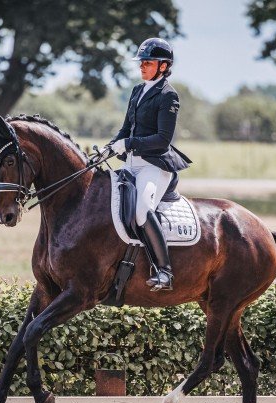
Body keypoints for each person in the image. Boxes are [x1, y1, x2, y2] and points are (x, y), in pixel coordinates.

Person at [105, 38, 191, 291]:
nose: (142, 66)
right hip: (131, 163)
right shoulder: (137, 90)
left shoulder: (168, 95)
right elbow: (125, 128)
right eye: (141, 62)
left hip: (155, 165)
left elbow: (163, 139)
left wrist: (129, 143)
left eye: (148, 62)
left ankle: (164, 272)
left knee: (142, 210)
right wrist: (111, 146)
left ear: (163, 66)